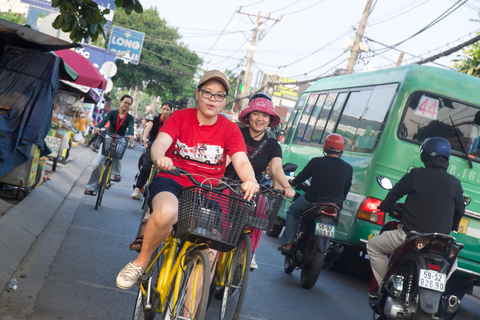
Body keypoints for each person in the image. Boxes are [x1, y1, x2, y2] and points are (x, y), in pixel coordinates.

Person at [116, 70, 259, 289]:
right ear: (198, 94)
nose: (212, 99)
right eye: (207, 93)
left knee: (211, 247)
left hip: (206, 191)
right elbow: (161, 142)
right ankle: (141, 261)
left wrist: (249, 179)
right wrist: (160, 157)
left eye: (219, 95)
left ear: (225, 101)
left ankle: (188, 310)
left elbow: (240, 161)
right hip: (172, 180)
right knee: (166, 213)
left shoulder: (230, 129)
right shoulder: (180, 117)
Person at [366, 137, 465, 302]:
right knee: (452, 266)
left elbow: (394, 194)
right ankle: (435, 295)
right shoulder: (454, 183)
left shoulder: (416, 174)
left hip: (409, 237)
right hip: (441, 244)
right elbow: (460, 210)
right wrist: (454, 225)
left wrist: (385, 206)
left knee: (373, 246)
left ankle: (386, 285)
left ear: (426, 156)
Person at [224, 93, 295, 269]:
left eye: (265, 115)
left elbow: (276, 168)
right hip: (226, 183)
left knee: (261, 211)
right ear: (248, 116)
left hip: (253, 188)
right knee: (222, 218)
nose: (260, 119)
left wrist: (286, 186)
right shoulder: (235, 132)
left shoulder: (272, 145)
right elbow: (224, 157)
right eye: (256, 113)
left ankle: (249, 253)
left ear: (269, 120)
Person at [279, 133, 353, 253]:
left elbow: (300, 179)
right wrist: (340, 201)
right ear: (341, 151)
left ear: (324, 149)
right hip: (335, 204)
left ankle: (288, 244)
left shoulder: (316, 162)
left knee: (293, 212)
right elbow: (347, 187)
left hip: (313, 200)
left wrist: (291, 182)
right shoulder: (348, 168)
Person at [84, 95, 135, 195]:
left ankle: (116, 174)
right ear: (120, 102)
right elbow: (103, 122)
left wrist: (131, 135)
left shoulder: (130, 118)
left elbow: (131, 128)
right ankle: (90, 187)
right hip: (109, 137)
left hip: (120, 138)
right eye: (125, 102)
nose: (126, 105)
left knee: (119, 151)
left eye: (129, 104)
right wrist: (98, 127)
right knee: (97, 164)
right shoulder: (112, 113)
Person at [131, 101, 173, 200]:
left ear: (171, 111)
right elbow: (149, 127)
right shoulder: (155, 117)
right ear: (161, 109)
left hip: (165, 145)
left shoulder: (172, 120)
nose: (165, 111)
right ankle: (138, 188)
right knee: (146, 165)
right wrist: (144, 137)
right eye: (164, 109)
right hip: (153, 143)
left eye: (168, 110)